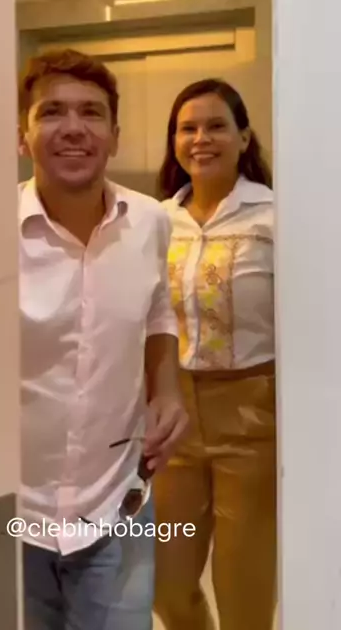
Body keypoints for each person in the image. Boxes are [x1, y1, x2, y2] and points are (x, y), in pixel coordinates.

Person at [17, 49, 189, 630]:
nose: (73, 128)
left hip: (117, 502)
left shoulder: (150, 221)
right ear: (22, 136)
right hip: (11, 511)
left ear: (115, 135)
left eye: (91, 112)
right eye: (51, 112)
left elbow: (157, 307)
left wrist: (167, 389)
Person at [153, 78, 276, 630]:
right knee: (165, 583)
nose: (200, 139)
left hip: (255, 418)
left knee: (243, 587)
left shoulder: (275, 217)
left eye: (216, 126)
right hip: (173, 421)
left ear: (244, 137)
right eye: (188, 128)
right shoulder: (156, 220)